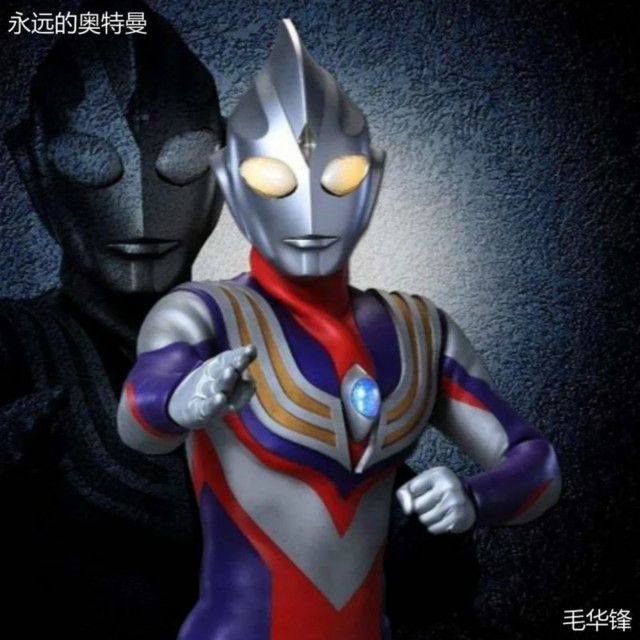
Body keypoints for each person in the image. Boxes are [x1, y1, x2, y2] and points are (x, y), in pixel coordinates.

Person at [118, 20, 561, 640]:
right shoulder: (202, 315)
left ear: (371, 181)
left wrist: (475, 497)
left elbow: (537, 466)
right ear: (231, 186)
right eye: (275, 180)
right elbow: (140, 419)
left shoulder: (420, 330)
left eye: (339, 178)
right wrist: (180, 400)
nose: (309, 207)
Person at [0, 2, 224, 637]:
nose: (142, 211)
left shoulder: (278, 346)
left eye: (182, 162)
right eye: (88, 162)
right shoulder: (14, 348)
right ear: (32, 164)